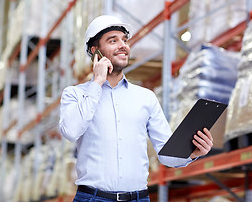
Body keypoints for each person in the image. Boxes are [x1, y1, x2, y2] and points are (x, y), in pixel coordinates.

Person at [59, 15, 214, 202]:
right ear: (95, 51)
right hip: (93, 198)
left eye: (124, 40)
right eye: (113, 40)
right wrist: (97, 82)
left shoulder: (145, 97)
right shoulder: (75, 94)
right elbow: (71, 131)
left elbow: (166, 154)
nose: (123, 45)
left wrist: (191, 153)